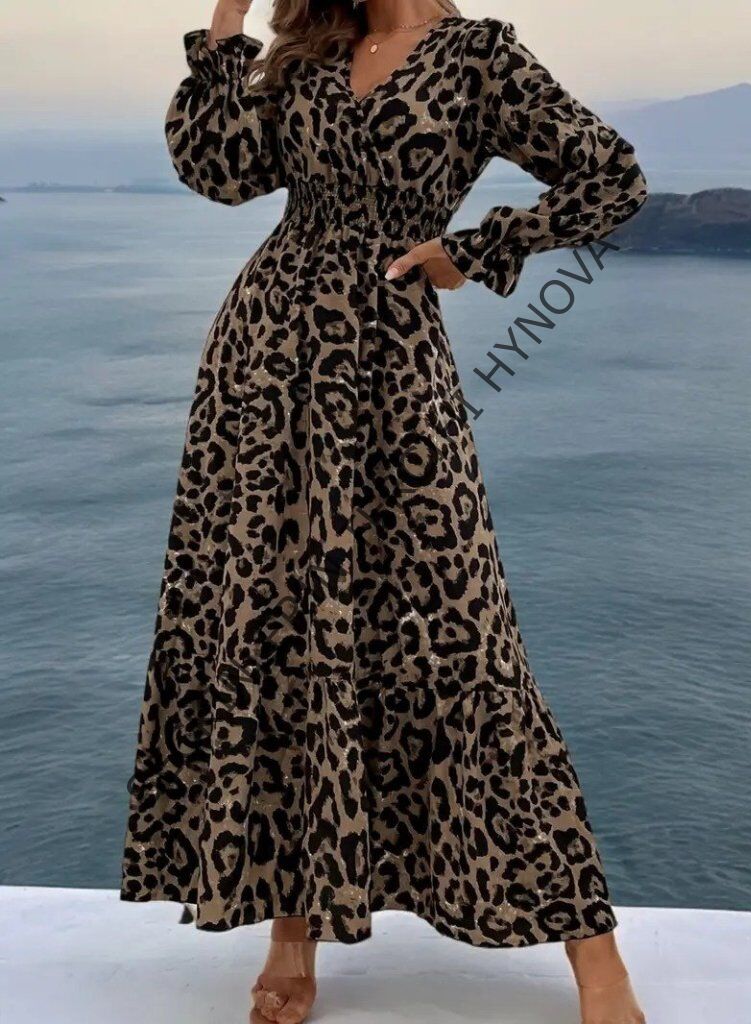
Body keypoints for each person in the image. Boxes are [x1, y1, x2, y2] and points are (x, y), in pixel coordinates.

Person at [121, 1, 649, 1022]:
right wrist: (226, 22)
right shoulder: (311, 53)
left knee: (466, 639)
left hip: (391, 372)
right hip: (263, 365)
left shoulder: (477, 55)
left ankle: (597, 956)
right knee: (276, 630)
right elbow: (220, 169)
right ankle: (291, 930)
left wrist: (480, 248)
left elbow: (611, 177)